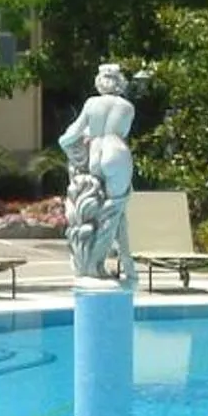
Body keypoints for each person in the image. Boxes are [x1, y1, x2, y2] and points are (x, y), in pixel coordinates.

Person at [60, 62, 135, 284]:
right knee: (113, 210)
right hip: (116, 153)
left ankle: (93, 263)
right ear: (120, 83)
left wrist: (74, 154)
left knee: (99, 208)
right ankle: (96, 263)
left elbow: (68, 137)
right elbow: (122, 132)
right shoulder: (127, 107)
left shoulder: (91, 104)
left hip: (94, 156)